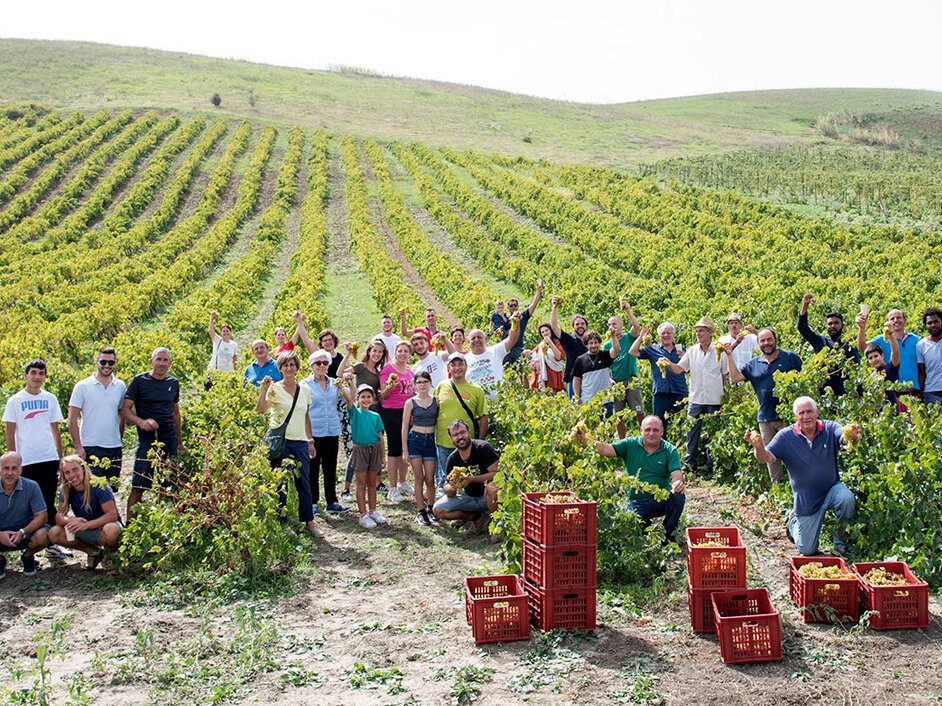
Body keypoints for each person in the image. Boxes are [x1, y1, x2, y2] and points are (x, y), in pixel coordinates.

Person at [745, 397, 860, 557]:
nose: (806, 417)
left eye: (809, 412)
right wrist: (758, 447)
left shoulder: (829, 428)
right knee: (807, 550)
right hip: (807, 499)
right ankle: (793, 524)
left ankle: (840, 545)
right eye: (801, 413)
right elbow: (765, 458)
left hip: (832, 488)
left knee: (846, 498)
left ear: (816, 412)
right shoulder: (785, 437)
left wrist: (851, 436)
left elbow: (843, 437)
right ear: (795, 416)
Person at [576, 415, 685, 544]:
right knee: (631, 526)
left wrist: (677, 483)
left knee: (678, 495)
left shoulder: (669, 450)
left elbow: (676, 473)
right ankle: (643, 525)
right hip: (635, 501)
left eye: (655, 430)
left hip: (658, 500)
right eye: (647, 430)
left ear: (662, 431)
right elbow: (606, 449)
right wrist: (585, 440)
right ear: (641, 431)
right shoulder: (630, 444)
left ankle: (668, 535)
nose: (651, 433)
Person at [256, 351, 321, 538]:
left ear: (297, 367)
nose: (289, 368)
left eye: (292, 365)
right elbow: (261, 410)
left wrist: (310, 440)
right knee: (280, 484)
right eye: (286, 365)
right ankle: (283, 523)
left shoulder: (304, 390)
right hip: (281, 442)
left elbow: (306, 416)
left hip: (300, 441)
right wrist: (263, 390)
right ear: (280, 368)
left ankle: (309, 522)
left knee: (304, 483)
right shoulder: (274, 388)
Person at [726, 328, 803, 483]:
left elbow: (804, 381)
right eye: (763, 340)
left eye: (769, 339)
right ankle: (777, 489)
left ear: (775, 340)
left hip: (788, 417)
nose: (766, 343)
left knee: (793, 453)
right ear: (758, 343)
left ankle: (797, 486)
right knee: (771, 456)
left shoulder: (790, 358)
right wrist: (729, 355)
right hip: (765, 418)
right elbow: (735, 377)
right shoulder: (753, 365)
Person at [3, 359, 63, 558]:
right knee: (28, 503)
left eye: (41, 373)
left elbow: (56, 430)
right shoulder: (15, 401)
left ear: (45, 377)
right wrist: (15, 462)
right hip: (26, 460)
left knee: (48, 500)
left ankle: (51, 543)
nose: (37, 377)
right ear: (26, 375)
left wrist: (60, 459)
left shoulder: (50, 399)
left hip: (48, 457)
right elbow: (10, 433)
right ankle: (27, 543)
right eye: (34, 373)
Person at [121, 348, 182, 521]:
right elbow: (125, 410)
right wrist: (141, 422)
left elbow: (175, 413)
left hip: (169, 439)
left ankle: (163, 523)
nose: (162, 363)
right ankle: (130, 527)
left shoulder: (173, 383)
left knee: (167, 485)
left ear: (170, 363)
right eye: (159, 359)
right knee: (139, 485)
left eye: (165, 360)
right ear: (151, 361)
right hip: (147, 441)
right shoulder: (139, 381)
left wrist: (179, 441)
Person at [662, 317, 728, 473]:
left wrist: (726, 396)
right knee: (691, 431)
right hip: (696, 398)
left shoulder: (720, 351)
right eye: (697, 331)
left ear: (710, 333)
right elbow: (679, 369)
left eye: (701, 331)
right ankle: (689, 463)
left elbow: (725, 375)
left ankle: (712, 464)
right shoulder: (692, 351)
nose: (698, 334)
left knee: (713, 432)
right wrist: (668, 363)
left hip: (715, 398)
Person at [47, 455, 122, 569]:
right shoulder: (66, 489)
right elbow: (59, 517)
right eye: (67, 472)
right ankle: (93, 552)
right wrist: (72, 520)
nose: (72, 475)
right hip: (85, 529)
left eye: (75, 470)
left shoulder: (98, 485)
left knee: (111, 530)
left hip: (103, 527)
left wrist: (86, 525)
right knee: (54, 532)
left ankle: (112, 553)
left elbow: (112, 515)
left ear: (83, 468)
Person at [67, 347, 125, 489]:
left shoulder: (120, 386)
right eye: (103, 361)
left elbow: (121, 414)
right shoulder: (82, 386)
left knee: (112, 489)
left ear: (115, 363)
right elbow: (72, 418)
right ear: (96, 362)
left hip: (114, 447)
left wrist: (119, 439)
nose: (106, 366)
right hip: (90, 446)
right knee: (93, 489)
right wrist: (78, 446)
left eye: (110, 363)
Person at [337, 341, 388, 499]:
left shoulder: (379, 371)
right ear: (369, 351)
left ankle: (378, 482)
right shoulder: (360, 366)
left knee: (376, 445)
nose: (377, 354)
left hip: (376, 410)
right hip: (361, 410)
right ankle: (346, 488)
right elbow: (340, 373)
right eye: (374, 351)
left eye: (380, 352)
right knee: (357, 450)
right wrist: (347, 354)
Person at [431, 420, 498, 536]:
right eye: (455, 435)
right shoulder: (452, 458)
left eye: (463, 432)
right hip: (468, 497)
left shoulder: (483, 448)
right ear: (451, 439)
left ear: (469, 432)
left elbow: (496, 474)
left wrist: (471, 479)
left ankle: (497, 526)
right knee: (438, 510)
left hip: (486, 497)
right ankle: (477, 518)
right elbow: (446, 487)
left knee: (492, 486)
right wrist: (452, 487)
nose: (460, 437)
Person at [301, 350, 347, 515]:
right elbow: (303, 411)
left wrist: (347, 383)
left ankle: (331, 501)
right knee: (312, 469)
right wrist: (308, 438)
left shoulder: (334, 384)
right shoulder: (304, 385)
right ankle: (313, 502)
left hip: (331, 430)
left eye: (325, 363)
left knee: (330, 467)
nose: (321, 366)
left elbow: (350, 398)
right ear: (311, 366)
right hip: (314, 432)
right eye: (318, 363)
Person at [339, 376, 387, 530]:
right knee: (361, 483)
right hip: (360, 449)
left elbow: (380, 437)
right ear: (358, 399)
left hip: (374, 450)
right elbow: (349, 399)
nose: (366, 400)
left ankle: (373, 510)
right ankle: (363, 514)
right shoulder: (355, 413)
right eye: (363, 397)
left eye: (369, 397)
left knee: (372, 483)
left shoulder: (376, 416)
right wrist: (346, 385)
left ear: (373, 399)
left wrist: (382, 455)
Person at [433, 353, 488, 488]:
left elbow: (483, 417)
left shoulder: (476, 390)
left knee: (466, 479)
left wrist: (479, 441)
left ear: (466, 366)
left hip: (467, 444)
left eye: (460, 364)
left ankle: (466, 503)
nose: (457, 368)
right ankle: (446, 505)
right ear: (449, 368)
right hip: (443, 441)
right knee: (446, 478)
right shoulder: (441, 386)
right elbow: (432, 409)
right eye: (454, 365)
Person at [797, 294, 859, 395]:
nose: (832, 326)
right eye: (830, 324)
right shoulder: (820, 341)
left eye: (836, 323)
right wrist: (805, 304)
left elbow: (856, 373)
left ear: (842, 325)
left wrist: (858, 394)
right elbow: (802, 327)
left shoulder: (849, 347)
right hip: (824, 396)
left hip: (845, 396)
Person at [0, 451, 49, 578]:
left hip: (25, 534)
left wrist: (22, 531)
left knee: (44, 534)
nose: (10, 473)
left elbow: (42, 516)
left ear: (20, 469)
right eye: (6, 468)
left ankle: (27, 556)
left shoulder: (31, 486)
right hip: (0, 535)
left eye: (14, 468)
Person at [629, 323, 688, 426]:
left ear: (673, 335)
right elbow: (632, 351)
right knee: (659, 425)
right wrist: (641, 337)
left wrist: (685, 357)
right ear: (659, 336)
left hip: (679, 391)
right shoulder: (652, 349)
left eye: (668, 333)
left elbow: (690, 369)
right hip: (660, 393)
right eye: (663, 333)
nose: (666, 335)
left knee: (682, 424)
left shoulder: (681, 349)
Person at [379, 341, 416, 503]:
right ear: (395, 352)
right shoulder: (388, 369)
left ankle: (403, 482)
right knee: (394, 449)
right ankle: (392, 488)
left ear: (409, 354)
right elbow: (383, 394)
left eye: (406, 352)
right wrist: (389, 387)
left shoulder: (409, 369)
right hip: (392, 412)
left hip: (407, 412)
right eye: (400, 351)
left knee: (405, 448)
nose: (402, 354)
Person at [402, 371, 439, 526]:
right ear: (415, 385)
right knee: (419, 477)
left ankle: (431, 507)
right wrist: (405, 449)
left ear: (430, 383)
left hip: (430, 440)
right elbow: (404, 426)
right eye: (419, 382)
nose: (423, 385)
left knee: (430, 478)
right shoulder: (410, 402)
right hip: (415, 439)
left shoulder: (436, 401)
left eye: (425, 381)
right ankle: (420, 510)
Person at [857, 308, 920, 394]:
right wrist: (862, 327)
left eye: (899, 317)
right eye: (892, 319)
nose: (896, 320)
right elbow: (862, 347)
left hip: (913, 391)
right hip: (892, 393)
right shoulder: (881, 339)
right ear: (888, 322)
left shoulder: (915, 339)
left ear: (904, 320)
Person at [604, 300, 642, 438]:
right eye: (609, 324)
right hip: (616, 383)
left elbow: (636, 327)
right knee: (618, 414)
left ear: (621, 325)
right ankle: (621, 440)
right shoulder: (607, 345)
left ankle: (645, 436)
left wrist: (628, 311)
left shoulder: (628, 338)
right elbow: (605, 367)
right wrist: (610, 380)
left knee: (638, 410)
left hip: (631, 380)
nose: (611, 326)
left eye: (614, 323)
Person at [464, 314, 521, 396]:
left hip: (499, 403)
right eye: (473, 338)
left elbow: (512, 339)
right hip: (475, 404)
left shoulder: (495, 351)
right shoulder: (464, 360)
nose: (476, 340)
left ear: (485, 340)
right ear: (468, 342)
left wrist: (516, 322)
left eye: (479, 337)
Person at [572, 327, 620, 413]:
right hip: (588, 401)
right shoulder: (580, 360)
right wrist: (577, 397)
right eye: (591, 343)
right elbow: (576, 379)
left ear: (599, 343)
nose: (593, 345)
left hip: (606, 400)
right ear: (586, 345)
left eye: (596, 343)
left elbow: (616, 350)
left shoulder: (605, 355)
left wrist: (613, 336)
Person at [549, 296, 589, 398]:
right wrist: (554, 307)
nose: (580, 326)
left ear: (586, 326)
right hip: (572, 379)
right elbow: (553, 326)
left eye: (582, 324)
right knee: (575, 407)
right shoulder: (568, 339)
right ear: (573, 327)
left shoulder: (591, 341)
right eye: (577, 324)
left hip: (589, 379)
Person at [503, 279, 543, 366]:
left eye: (515, 305)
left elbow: (533, 305)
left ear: (518, 306)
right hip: (506, 349)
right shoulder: (504, 318)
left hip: (518, 348)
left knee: (522, 373)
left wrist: (538, 290)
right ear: (508, 307)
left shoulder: (522, 317)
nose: (513, 307)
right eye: (511, 305)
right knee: (506, 374)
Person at [863, 340, 903, 412]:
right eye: (870, 358)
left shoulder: (890, 367)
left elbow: (895, 352)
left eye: (876, 356)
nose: (874, 359)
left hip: (892, 411)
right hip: (879, 414)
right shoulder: (871, 377)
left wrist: (890, 334)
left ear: (882, 355)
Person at [528, 323, 566, 394]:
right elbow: (531, 356)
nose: (545, 333)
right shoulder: (541, 345)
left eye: (546, 330)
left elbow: (559, 357)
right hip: (542, 374)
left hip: (554, 374)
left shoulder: (558, 342)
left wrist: (550, 343)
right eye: (542, 332)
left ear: (551, 331)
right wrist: (531, 362)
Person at [917, 307, 942, 403]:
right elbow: (921, 372)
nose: (933, 325)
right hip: (932, 393)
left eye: (936, 322)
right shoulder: (921, 345)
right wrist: (921, 394)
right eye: (929, 323)